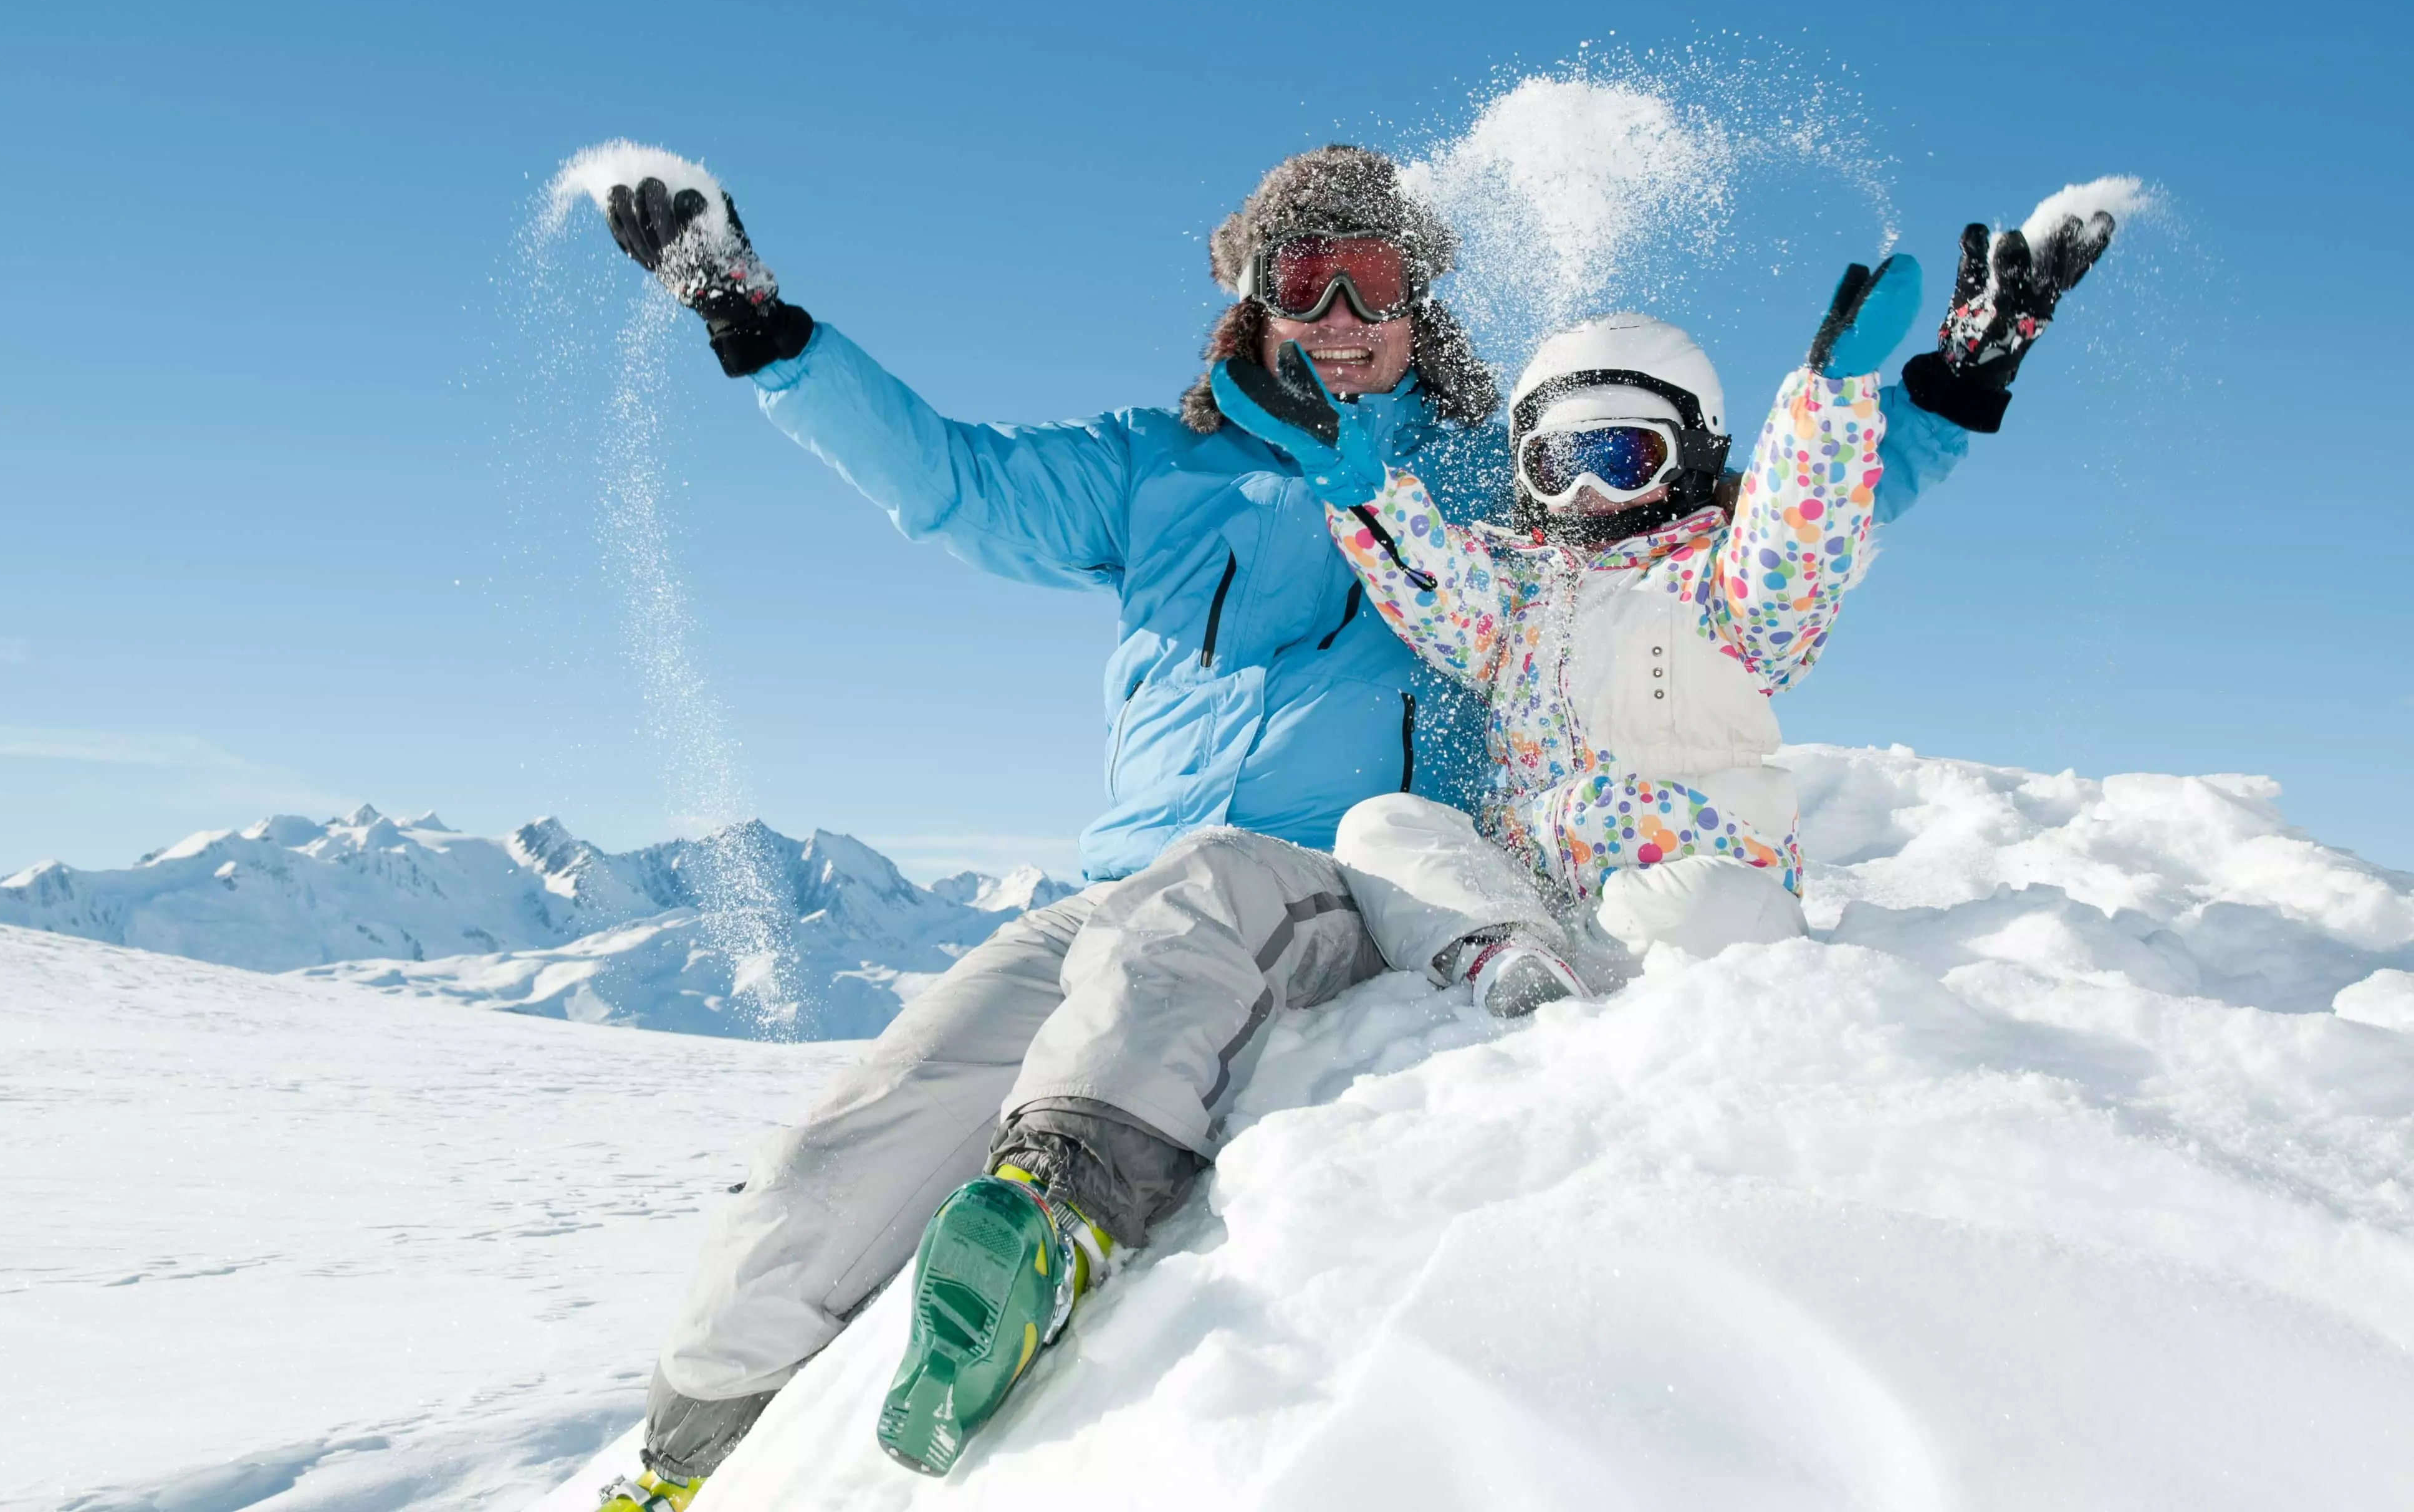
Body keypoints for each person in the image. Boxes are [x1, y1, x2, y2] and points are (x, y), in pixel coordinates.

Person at [585, 143, 2016, 1503]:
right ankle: (683, 1452)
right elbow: (953, 479)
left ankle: (1068, 1204)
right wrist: (764, 332)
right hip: (1116, 899)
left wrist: (1943, 389)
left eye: (1375, 286)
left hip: (1338, 884)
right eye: (1303, 278)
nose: (1339, 318)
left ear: (1419, 302)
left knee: (1203, 889)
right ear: (1251, 293)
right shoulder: (1157, 463)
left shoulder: (1479, 473)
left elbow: (1735, 521)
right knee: (846, 1142)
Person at [1218, 213, 2117, 992]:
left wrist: (1829, 401)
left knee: (1716, 910)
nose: (1588, 498)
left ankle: (1630, 984)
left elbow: (1798, 535)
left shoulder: (1719, 585)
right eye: (1556, 470)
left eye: (1623, 461)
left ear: (1688, 460)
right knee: (1386, 827)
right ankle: (1505, 959)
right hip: (1533, 880)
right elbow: (1437, 591)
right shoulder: (1518, 596)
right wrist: (1357, 485)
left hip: (1690, 872)